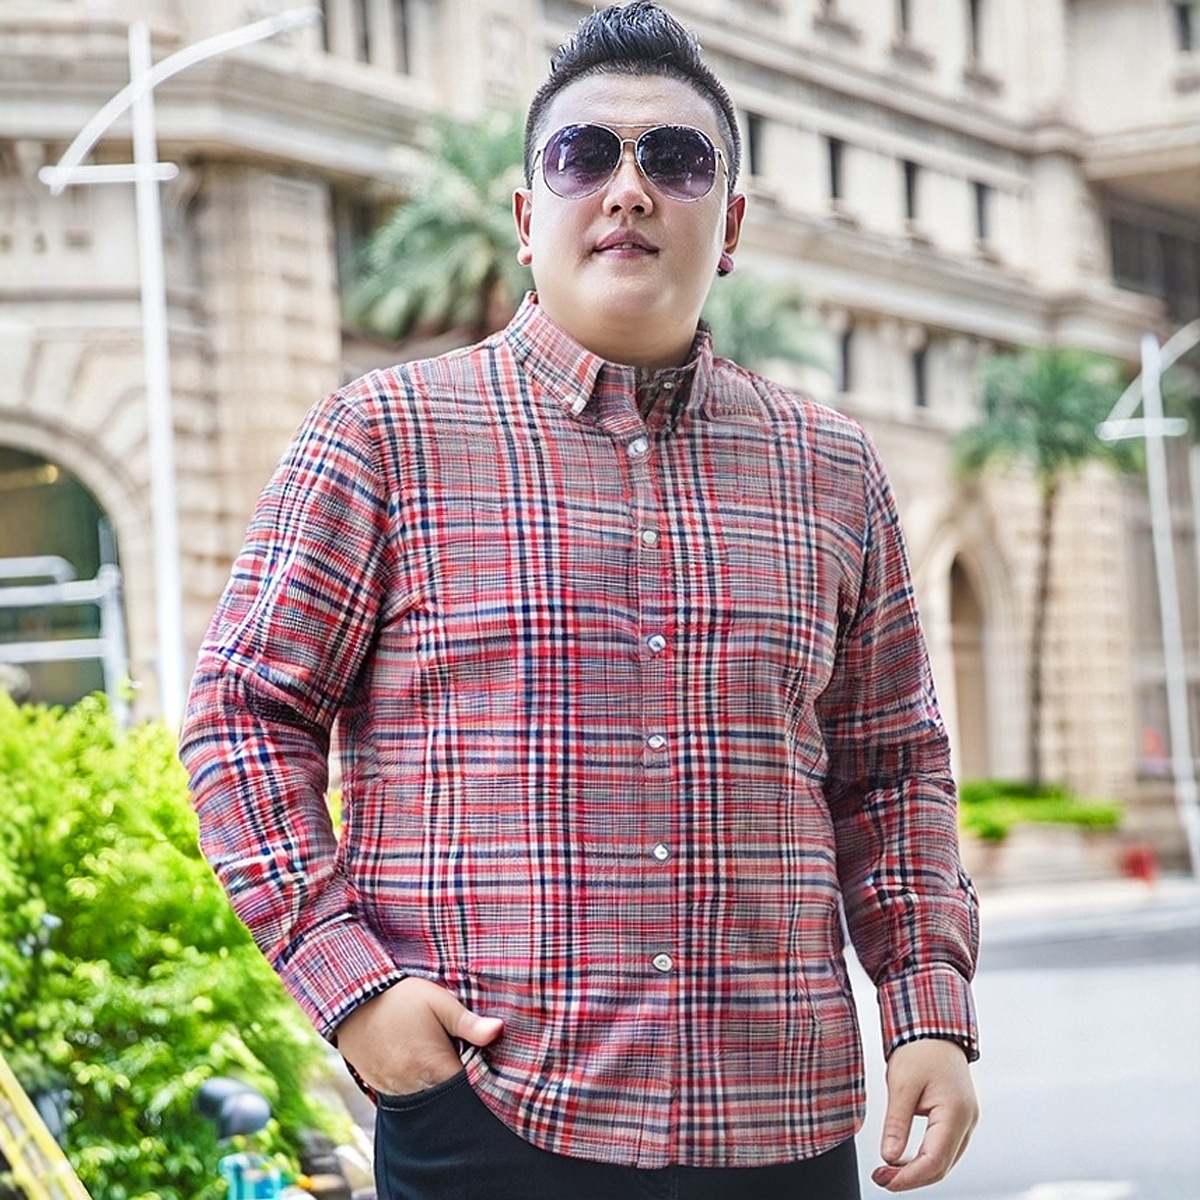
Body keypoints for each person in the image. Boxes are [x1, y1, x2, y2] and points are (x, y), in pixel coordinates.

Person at [180, 4, 980, 1197]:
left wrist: (927, 1010)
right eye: (584, 155)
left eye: (677, 159)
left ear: (730, 224)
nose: (629, 190)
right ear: (525, 216)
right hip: (491, 1111)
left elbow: (892, 768)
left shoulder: (832, 469)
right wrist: (352, 987)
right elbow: (244, 716)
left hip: (780, 1118)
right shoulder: (383, 437)